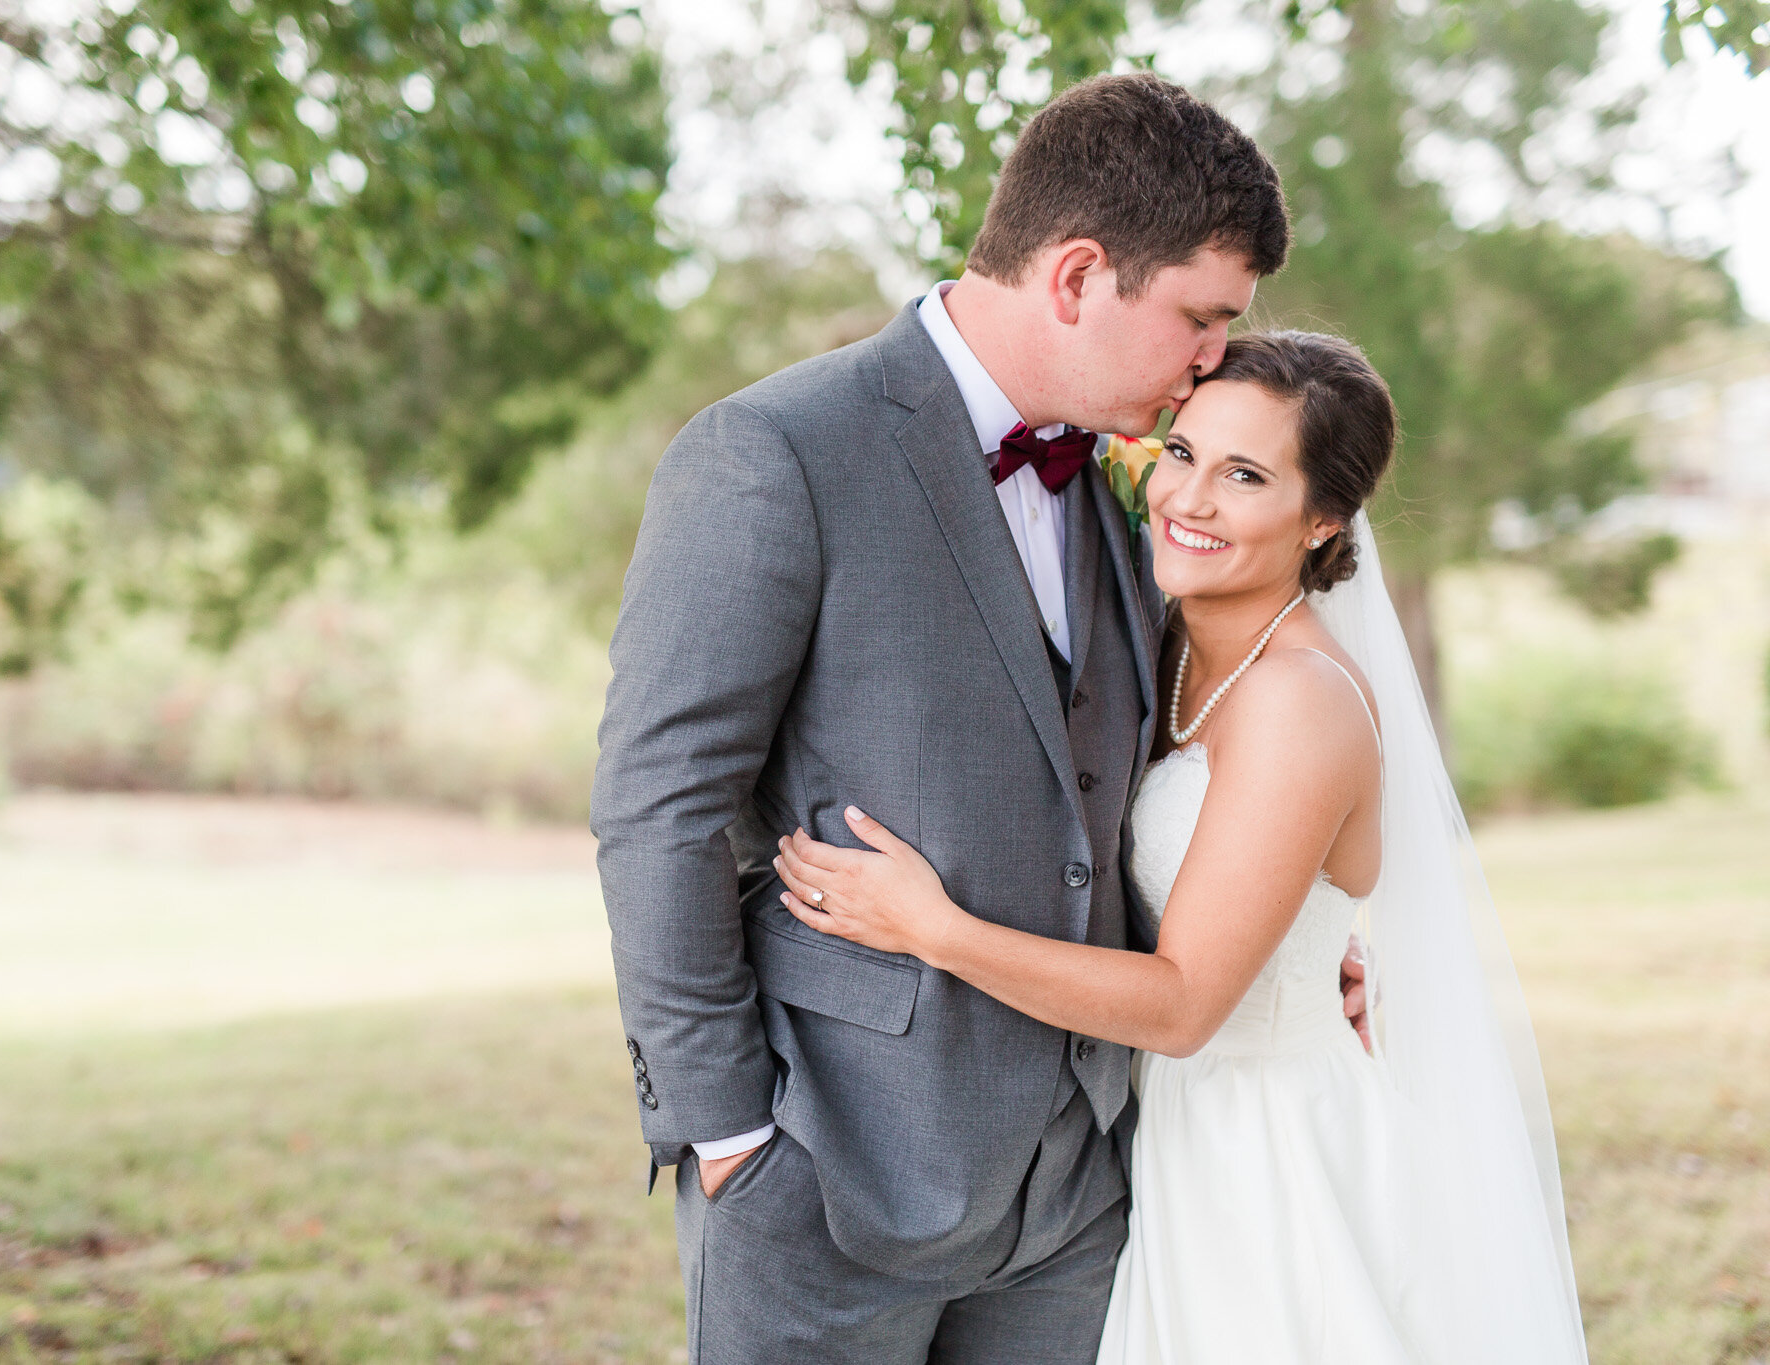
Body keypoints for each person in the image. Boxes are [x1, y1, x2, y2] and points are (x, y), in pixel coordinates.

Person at [593, 73, 1331, 1362]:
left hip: (1078, 1193)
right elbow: (658, 808)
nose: (1213, 360)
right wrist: (726, 1140)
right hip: (829, 1180)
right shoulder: (773, 453)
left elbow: (1131, 787)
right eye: (1199, 318)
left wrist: (1303, 944)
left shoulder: (1124, 488)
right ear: (1078, 275)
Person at [772, 331, 1589, 1362]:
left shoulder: (1297, 701)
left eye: (1244, 476)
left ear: (1322, 519)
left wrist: (931, 928)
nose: (1188, 500)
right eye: (1180, 453)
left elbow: (1184, 1005)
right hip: (1143, 1140)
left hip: (1263, 1155)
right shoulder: (1160, 644)